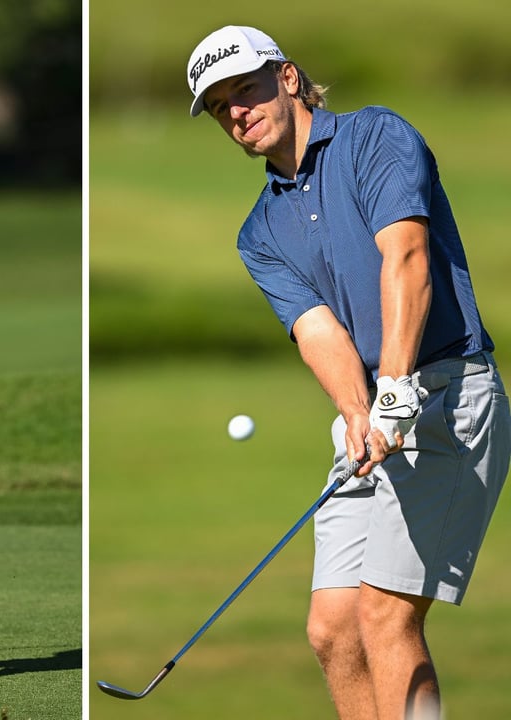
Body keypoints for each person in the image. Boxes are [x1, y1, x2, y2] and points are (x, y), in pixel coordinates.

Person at [185, 25, 510, 719]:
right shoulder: (259, 233)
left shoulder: (374, 137)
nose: (237, 111)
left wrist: (393, 387)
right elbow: (319, 332)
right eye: (219, 106)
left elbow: (407, 258)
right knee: (333, 630)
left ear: (289, 78)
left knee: (385, 615)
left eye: (246, 89)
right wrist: (359, 412)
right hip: (375, 415)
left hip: (448, 396)